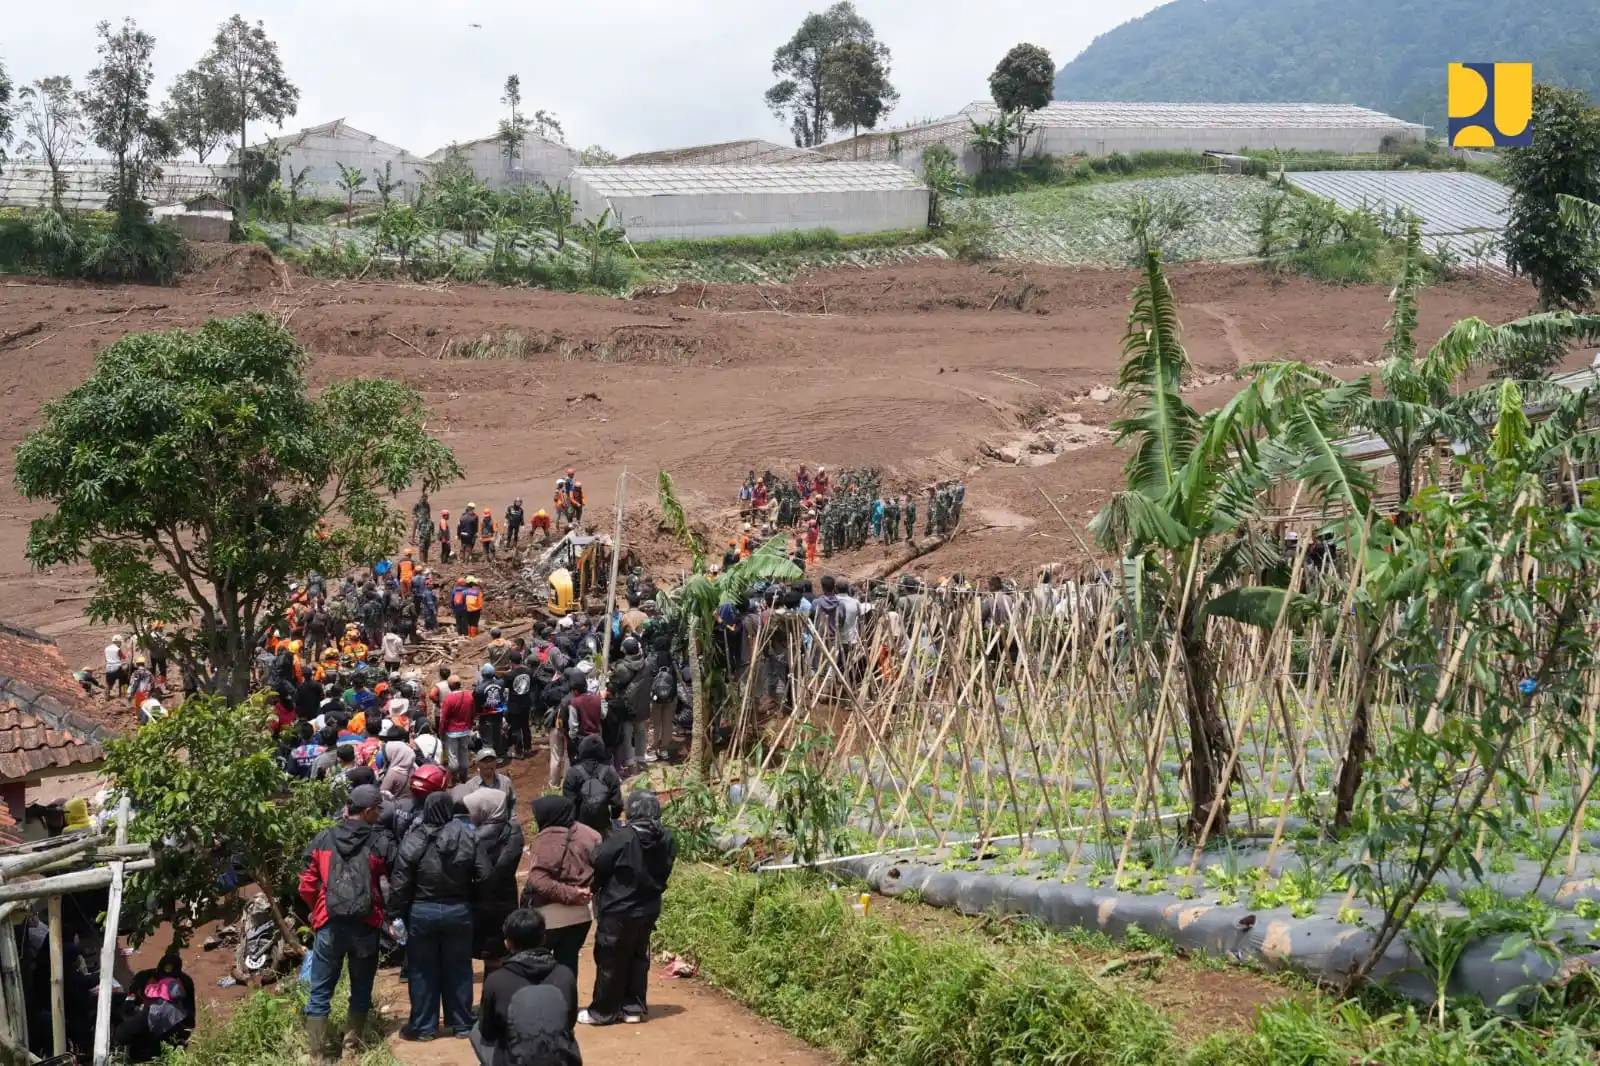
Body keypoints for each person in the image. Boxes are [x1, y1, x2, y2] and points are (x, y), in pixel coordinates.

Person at [299, 785, 397, 1063]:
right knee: (361, 988)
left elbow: (306, 883)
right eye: (377, 809)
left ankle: (315, 1054)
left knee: (320, 990)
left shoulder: (323, 839)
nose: (379, 814)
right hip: (366, 925)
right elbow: (396, 881)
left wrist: (314, 909)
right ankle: (350, 1053)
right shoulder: (380, 842)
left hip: (329, 923)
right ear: (367, 812)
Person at [390, 792, 490, 1041]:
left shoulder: (414, 838)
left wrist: (394, 915)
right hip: (459, 910)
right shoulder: (467, 835)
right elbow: (486, 873)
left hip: (422, 912)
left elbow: (400, 884)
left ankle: (424, 1028)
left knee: (422, 971)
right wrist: (472, 897)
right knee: (459, 969)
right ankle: (462, 1025)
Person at [579, 791, 677, 1026]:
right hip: (649, 906)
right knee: (637, 955)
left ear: (632, 810)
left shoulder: (623, 837)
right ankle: (632, 1008)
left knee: (610, 957)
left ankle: (603, 1012)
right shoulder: (667, 838)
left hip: (619, 907)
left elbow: (598, 859)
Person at [473, 909, 581, 1066]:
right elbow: (569, 1022)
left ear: (507, 943)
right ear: (544, 938)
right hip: (559, 1061)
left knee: (476, 1030)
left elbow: (488, 1031)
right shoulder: (565, 974)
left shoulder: (496, 980)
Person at [521, 797, 600, 978]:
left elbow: (539, 880)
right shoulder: (591, 835)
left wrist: (570, 893)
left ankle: (544, 1004)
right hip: (582, 915)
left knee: (537, 966)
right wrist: (585, 890)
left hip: (550, 916)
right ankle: (568, 1004)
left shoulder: (547, 838)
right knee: (568, 963)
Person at [466, 789, 525, 979]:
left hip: (479, 900)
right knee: (503, 952)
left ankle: (488, 1004)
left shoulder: (470, 837)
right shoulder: (513, 831)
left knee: (488, 954)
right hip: (506, 898)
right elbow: (507, 865)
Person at [113, 952, 196, 1062]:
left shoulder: (185, 982)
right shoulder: (144, 977)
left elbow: (120, 1036)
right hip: (166, 1026)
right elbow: (131, 997)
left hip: (150, 1040)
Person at [562, 736, 622, 838]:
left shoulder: (572, 773)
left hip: (580, 830)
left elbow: (567, 805)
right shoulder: (610, 772)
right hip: (603, 827)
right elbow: (617, 805)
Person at [439, 675, 476, 784]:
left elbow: (443, 718)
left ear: (449, 687)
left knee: (452, 755)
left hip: (451, 732)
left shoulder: (448, 699)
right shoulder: (468, 696)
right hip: (465, 730)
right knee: (464, 752)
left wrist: (441, 731)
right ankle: (464, 776)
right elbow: (473, 712)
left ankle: (454, 778)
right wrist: (470, 725)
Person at [104, 635, 127, 700]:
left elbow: (106, 658)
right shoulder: (117, 649)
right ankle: (123, 694)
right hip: (117, 667)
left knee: (109, 683)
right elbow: (123, 657)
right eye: (120, 643)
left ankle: (107, 696)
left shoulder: (106, 648)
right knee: (124, 678)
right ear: (118, 642)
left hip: (108, 668)